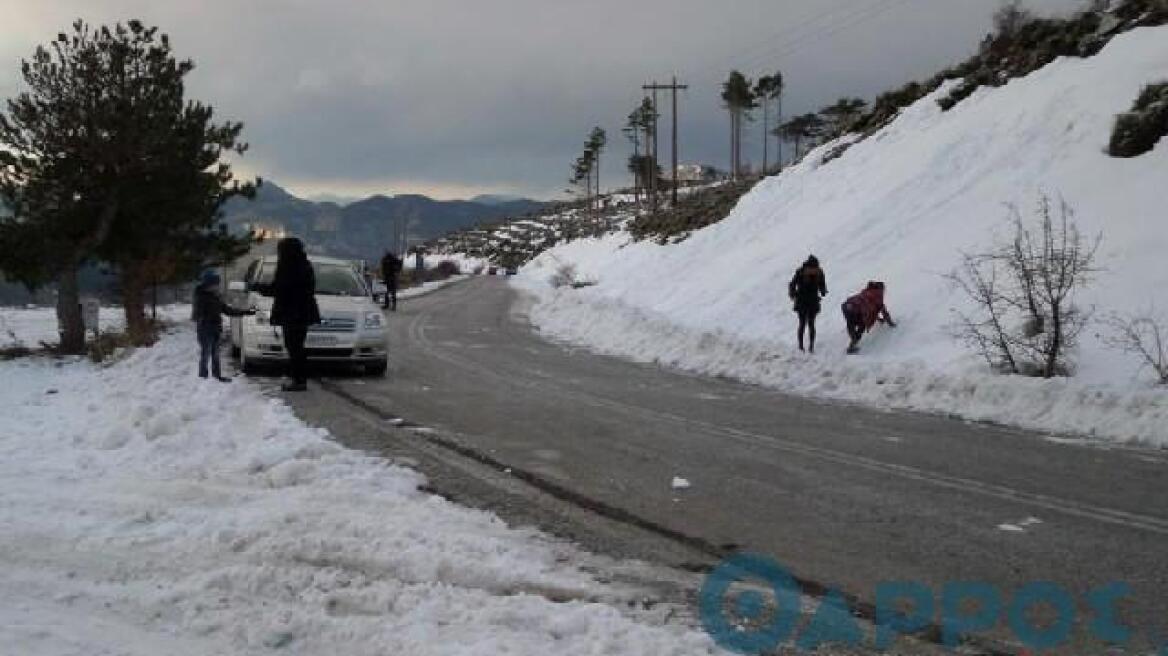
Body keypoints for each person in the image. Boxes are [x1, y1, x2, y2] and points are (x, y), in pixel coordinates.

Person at [256, 237, 321, 391]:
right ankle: (298, 377)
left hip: (292, 312)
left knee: (294, 346)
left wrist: (259, 287)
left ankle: (298, 380)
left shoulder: (288, 266)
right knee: (297, 346)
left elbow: (280, 289)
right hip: (303, 311)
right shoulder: (305, 265)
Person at [191, 269, 255, 382]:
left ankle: (217, 376)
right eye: (215, 284)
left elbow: (227, 309)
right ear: (208, 284)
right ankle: (203, 377)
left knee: (215, 353)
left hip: (216, 327)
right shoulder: (200, 297)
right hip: (205, 328)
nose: (217, 286)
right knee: (205, 352)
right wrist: (203, 318)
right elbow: (196, 315)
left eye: (217, 284)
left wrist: (245, 312)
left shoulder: (216, 297)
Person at [841, 281, 896, 354]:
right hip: (857, 309)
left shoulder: (867, 291)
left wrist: (879, 319)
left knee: (851, 321)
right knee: (862, 325)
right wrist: (891, 323)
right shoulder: (878, 295)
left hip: (847, 305)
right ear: (881, 289)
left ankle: (853, 340)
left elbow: (872, 309)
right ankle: (853, 344)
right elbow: (882, 311)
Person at [788, 255, 828, 353]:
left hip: (807, 301)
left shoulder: (814, 272)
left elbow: (792, 284)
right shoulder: (806, 272)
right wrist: (823, 291)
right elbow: (792, 284)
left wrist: (823, 290)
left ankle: (807, 346)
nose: (814, 270)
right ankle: (805, 346)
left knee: (807, 323)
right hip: (806, 301)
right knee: (806, 324)